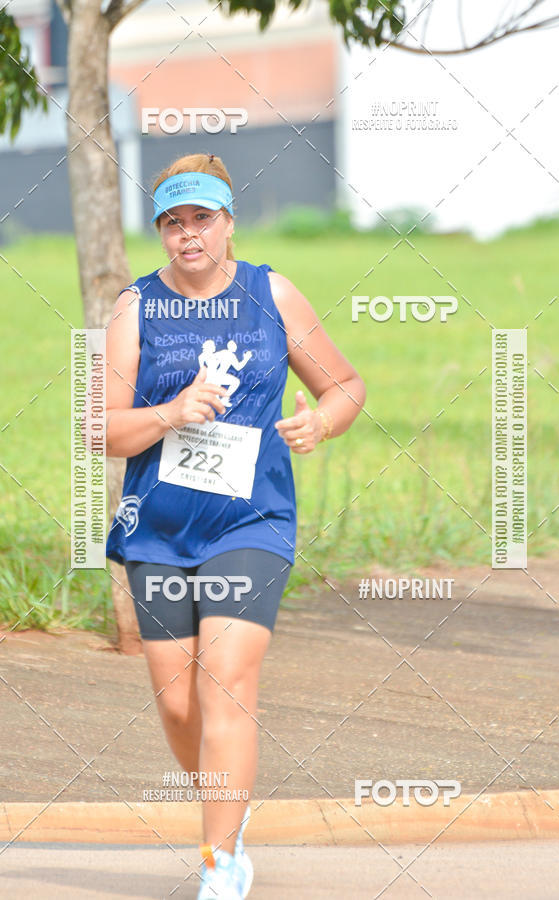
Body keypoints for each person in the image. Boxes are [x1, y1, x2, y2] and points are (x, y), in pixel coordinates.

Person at [104, 152, 365, 898]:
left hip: (251, 522)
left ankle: (221, 862)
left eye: (202, 219)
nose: (189, 234)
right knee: (179, 703)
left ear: (228, 223)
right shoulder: (135, 309)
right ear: (161, 232)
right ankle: (229, 809)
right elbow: (102, 428)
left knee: (226, 683)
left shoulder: (271, 293)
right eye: (173, 222)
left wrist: (324, 422)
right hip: (156, 528)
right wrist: (169, 413)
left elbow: (345, 383)